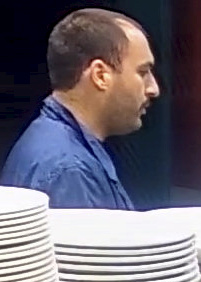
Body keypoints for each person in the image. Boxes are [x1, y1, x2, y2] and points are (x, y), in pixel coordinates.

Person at [1, 8, 160, 209]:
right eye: (143, 72)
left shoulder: (59, 146)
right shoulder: (69, 170)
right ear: (100, 75)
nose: (153, 89)